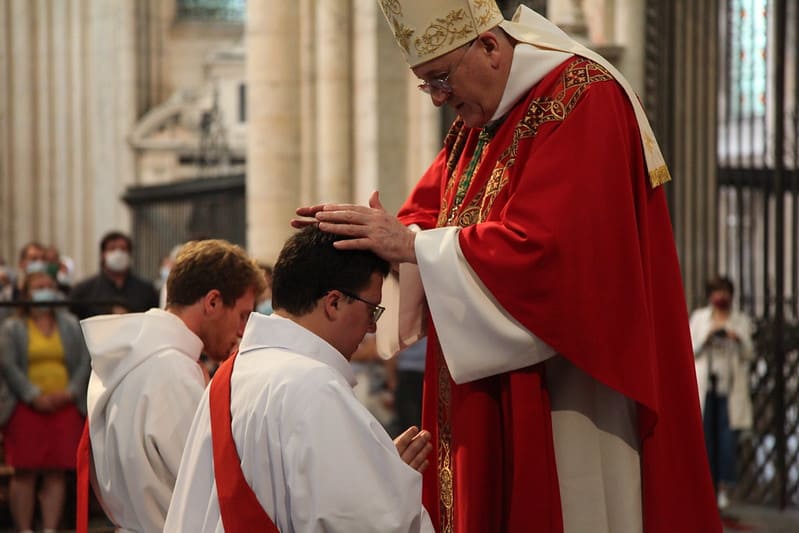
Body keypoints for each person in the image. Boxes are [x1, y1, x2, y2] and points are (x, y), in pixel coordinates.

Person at [293, 2, 720, 532]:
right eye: (427, 86)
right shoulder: (478, 122)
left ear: (491, 47)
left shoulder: (581, 97)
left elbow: (556, 256)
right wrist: (368, 239)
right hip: (488, 391)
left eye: (440, 79)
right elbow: (429, 215)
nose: (439, 101)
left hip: (566, 392)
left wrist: (413, 246)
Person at [164, 226, 434, 532]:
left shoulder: (236, 370)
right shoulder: (313, 386)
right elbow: (361, 524)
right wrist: (387, 488)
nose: (371, 328)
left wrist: (369, 468)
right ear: (334, 302)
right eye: (372, 310)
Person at [79, 239, 266, 533]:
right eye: (243, 315)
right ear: (213, 302)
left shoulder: (130, 354)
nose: (243, 330)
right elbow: (209, 484)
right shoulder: (172, 371)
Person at [0, 265, 90, 533]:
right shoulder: (13, 327)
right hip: (26, 407)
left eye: (48, 288)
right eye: (37, 289)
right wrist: (32, 395)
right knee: (25, 471)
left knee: (56, 471)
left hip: (64, 405)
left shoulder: (71, 325)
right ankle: (25, 528)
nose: (44, 293)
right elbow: (8, 365)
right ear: (26, 294)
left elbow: (83, 362)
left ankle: (50, 529)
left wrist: (71, 391)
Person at [690, 276, 754, 509]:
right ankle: (705, 487)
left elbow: (749, 353)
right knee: (705, 438)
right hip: (706, 385)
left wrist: (735, 337)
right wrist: (709, 335)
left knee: (726, 439)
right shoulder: (699, 319)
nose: (721, 297)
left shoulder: (739, 321)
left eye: (725, 292)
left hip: (729, 386)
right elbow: (689, 349)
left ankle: (723, 489)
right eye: (717, 292)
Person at [69, 231, 159, 319]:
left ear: (129, 254)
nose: (118, 253)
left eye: (123, 249)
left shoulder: (146, 290)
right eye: (112, 248)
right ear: (103, 254)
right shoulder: (84, 290)